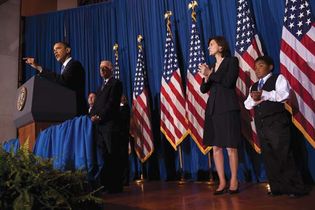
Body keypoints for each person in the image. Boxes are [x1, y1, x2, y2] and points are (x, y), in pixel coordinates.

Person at [244, 56, 309, 196]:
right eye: (255, 67)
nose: (257, 69)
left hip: (277, 122)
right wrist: (256, 99)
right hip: (261, 124)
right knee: (269, 156)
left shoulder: (278, 79)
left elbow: (284, 95)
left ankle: (296, 188)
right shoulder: (254, 86)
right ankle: (277, 187)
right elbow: (247, 104)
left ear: (270, 67)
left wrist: (265, 95)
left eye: (260, 65)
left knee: (284, 155)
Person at [199, 36, 241, 195]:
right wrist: (206, 76)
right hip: (213, 109)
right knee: (216, 147)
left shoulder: (232, 62)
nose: (209, 47)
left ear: (221, 47)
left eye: (211, 44)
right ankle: (222, 181)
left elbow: (229, 82)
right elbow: (204, 89)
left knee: (230, 146)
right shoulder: (212, 66)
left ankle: (234, 180)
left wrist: (211, 73)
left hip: (228, 108)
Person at [24, 41, 87, 116]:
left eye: (58, 48)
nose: (55, 52)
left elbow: (63, 81)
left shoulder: (74, 64)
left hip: (77, 112)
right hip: (68, 111)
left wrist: (39, 68)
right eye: (54, 50)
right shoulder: (64, 68)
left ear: (67, 50)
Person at [90, 60, 123, 193]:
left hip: (110, 125)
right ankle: (105, 185)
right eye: (100, 68)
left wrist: (100, 116)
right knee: (103, 156)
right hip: (100, 127)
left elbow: (112, 103)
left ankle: (115, 186)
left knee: (112, 155)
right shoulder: (100, 88)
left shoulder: (116, 83)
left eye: (105, 67)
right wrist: (91, 115)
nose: (102, 70)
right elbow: (96, 105)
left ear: (111, 69)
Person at [119, 95, 131, 186]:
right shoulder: (116, 107)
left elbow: (124, 120)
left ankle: (125, 179)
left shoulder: (125, 108)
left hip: (123, 136)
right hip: (116, 136)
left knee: (124, 158)